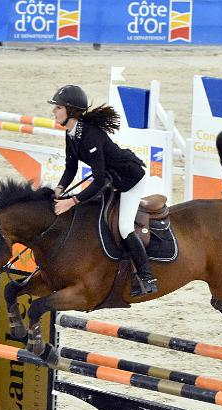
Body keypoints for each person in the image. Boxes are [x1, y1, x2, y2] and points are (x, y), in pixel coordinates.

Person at [49, 84, 158, 296]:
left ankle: (146, 276)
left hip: (129, 179)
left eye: (58, 107)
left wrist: (71, 201)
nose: (54, 110)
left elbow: (97, 181)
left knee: (125, 227)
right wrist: (60, 189)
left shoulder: (90, 135)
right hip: (111, 180)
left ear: (70, 111)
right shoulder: (70, 134)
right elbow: (71, 167)